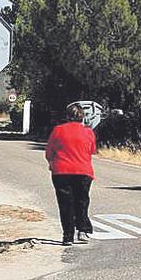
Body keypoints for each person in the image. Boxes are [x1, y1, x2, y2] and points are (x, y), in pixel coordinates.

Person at [45, 103, 96, 246]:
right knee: (82, 201)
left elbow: (49, 152)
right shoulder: (88, 132)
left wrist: (52, 163)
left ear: (67, 116)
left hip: (61, 171)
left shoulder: (58, 130)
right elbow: (92, 150)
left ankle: (68, 236)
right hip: (83, 171)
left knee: (65, 204)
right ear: (83, 117)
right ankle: (83, 230)